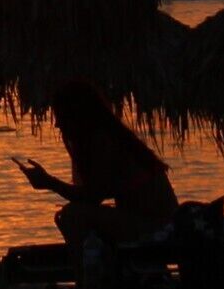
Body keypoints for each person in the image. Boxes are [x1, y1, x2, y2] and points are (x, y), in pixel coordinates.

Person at [14, 79, 182, 250]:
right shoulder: (109, 136)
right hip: (153, 222)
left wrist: (50, 182)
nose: (57, 124)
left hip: (158, 228)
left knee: (72, 216)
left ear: (75, 115)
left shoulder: (103, 141)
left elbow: (92, 196)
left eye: (60, 116)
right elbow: (93, 194)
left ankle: (90, 265)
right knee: (72, 215)